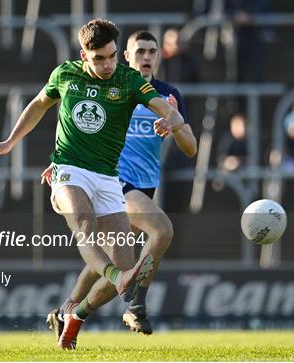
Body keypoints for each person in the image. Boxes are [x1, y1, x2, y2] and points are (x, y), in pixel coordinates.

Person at [0, 19, 186, 349]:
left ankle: (74, 313)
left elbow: (171, 111)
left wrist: (171, 120)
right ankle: (114, 277)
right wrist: (10, 142)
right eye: (99, 59)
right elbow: (39, 104)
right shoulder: (65, 74)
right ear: (84, 55)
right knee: (84, 223)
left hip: (108, 178)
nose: (108, 65)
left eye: (111, 57)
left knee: (125, 263)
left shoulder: (129, 79)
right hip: (69, 169)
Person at [43, 30, 197, 343]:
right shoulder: (118, 84)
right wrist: (66, 162)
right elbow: (80, 121)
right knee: (162, 231)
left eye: (152, 52)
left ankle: (70, 311)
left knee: (111, 262)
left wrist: (174, 123)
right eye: (139, 51)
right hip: (116, 183)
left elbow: (191, 148)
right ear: (125, 56)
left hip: (145, 187)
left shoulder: (167, 94)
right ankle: (136, 303)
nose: (147, 57)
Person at [212, 112, 247, 191]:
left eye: (243, 125)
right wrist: (230, 162)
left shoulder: (250, 142)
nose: (242, 128)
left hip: (246, 175)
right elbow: (220, 160)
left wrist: (240, 161)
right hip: (229, 177)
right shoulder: (227, 141)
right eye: (239, 125)